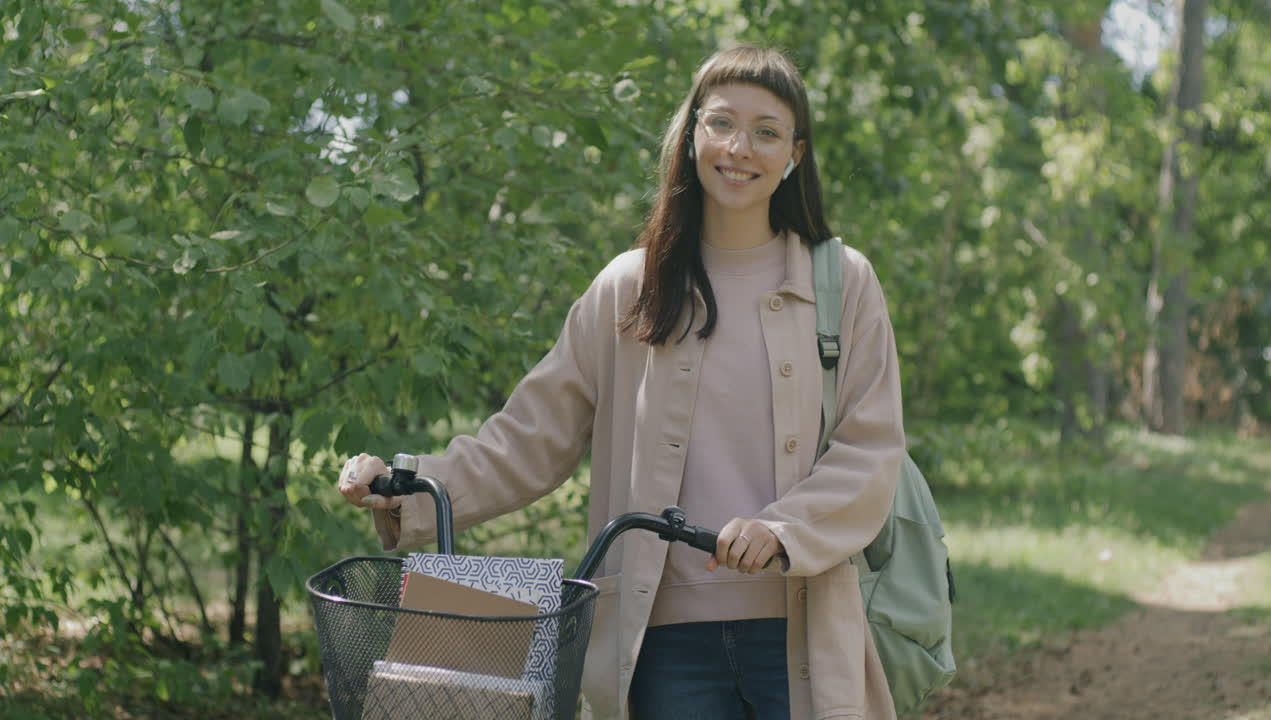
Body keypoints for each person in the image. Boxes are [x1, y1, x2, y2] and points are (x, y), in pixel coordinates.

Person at [338, 44, 905, 720]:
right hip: (662, 648)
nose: (739, 148)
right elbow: (529, 437)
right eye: (721, 123)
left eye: (767, 132)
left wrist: (782, 530)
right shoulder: (629, 289)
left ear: (795, 156)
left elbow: (871, 452)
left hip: (803, 636)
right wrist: (406, 487)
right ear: (691, 134)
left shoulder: (842, 282)